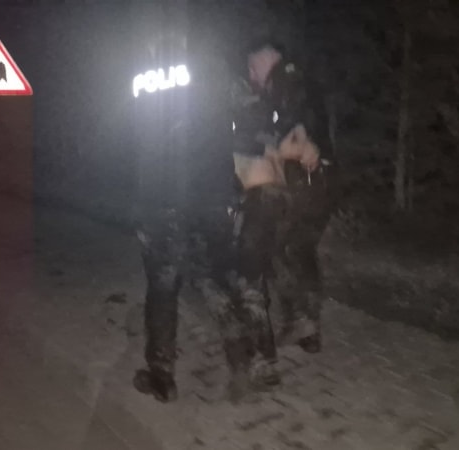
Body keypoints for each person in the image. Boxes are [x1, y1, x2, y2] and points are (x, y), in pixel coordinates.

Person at [130, 6, 282, 403]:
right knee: (218, 281)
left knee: (163, 288)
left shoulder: (141, 78)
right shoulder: (211, 67)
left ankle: (162, 375)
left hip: (160, 201)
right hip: (211, 197)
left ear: (150, 40)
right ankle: (243, 361)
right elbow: (249, 112)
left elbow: (140, 142)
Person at [237, 39, 338, 355]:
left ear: (266, 58)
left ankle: (295, 321)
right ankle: (308, 326)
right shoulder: (300, 81)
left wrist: (278, 145)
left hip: (300, 181)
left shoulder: (284, 82)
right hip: (324, 181)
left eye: (253, 66)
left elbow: (287, 135)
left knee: (278, 247)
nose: (251, 74)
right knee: (301, 249)